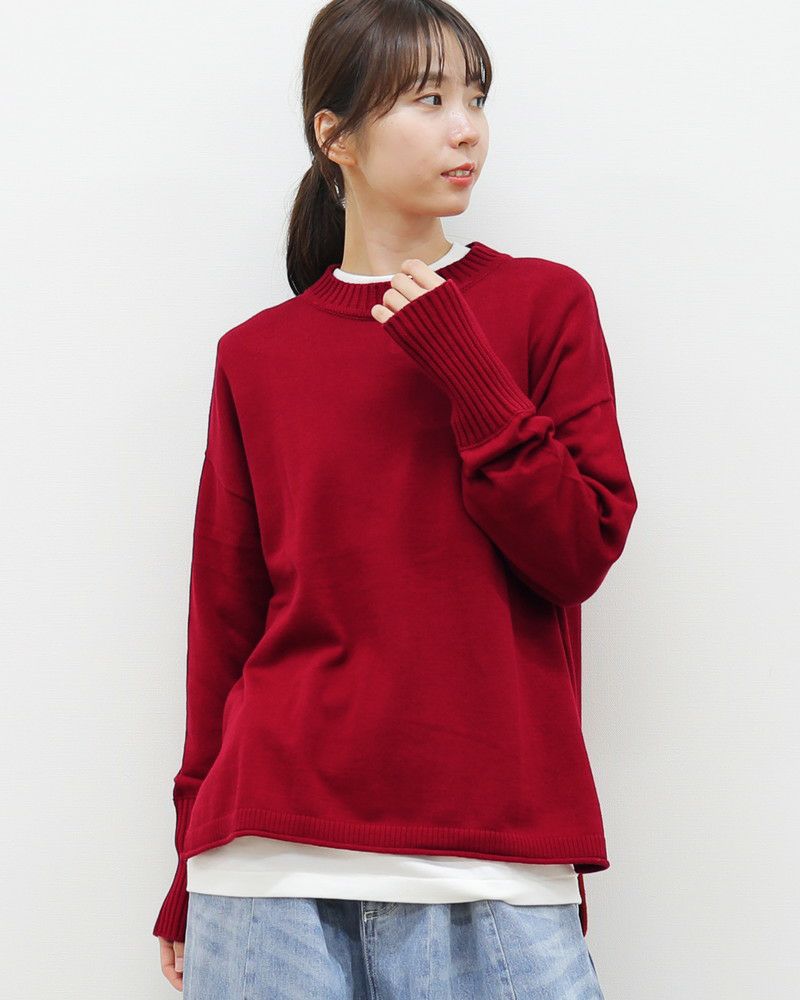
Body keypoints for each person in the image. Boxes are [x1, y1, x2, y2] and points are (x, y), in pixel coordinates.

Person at [153, 0, 637, 995]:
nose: (466, 129)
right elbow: (225, 625)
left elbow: (577, 550)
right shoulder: (257, 356)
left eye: (475, 98)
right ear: (335, 135)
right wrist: (185, 864)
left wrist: (463, 365)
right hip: (265, 864)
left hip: (490, 853)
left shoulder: (544, 305)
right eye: (428, 99)